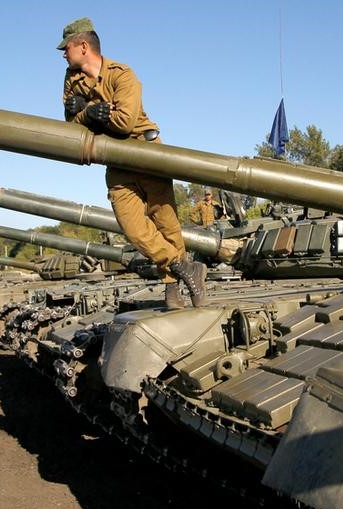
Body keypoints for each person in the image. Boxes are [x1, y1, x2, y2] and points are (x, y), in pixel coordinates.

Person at [57, 17, 207, 309]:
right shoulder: (71, 78)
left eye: (67, 48)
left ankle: (171, 286)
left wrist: (86, 112)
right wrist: (91, 112)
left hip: (144, 152)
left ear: (84, 46)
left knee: (165, 222)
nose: (64, 54)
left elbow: (124, 123)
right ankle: (185, 267)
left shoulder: (122, 74)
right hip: (114, 159)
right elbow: (71, 125)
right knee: (134, 229)